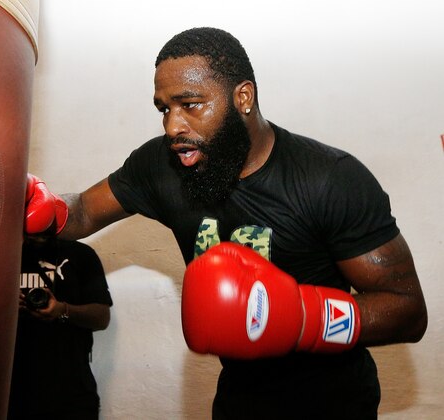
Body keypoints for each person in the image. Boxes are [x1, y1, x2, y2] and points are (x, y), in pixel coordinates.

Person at [24, 27, 428, 419]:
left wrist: (302, 318)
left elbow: (406, 310)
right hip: (239, 400)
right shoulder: (162, 166)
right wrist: (50, 206)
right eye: (164, 108)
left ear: (243, 97)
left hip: (336, 404)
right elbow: (84, 212)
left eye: (190, 104)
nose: (172, 127)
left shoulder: (328, 178)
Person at [8, 231, 113, 420]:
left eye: (43, 232)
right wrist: (3, 307)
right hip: (11, 396)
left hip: (71, 396)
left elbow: (101, 318)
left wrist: (63, 310)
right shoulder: (0, 256)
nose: (38, 238)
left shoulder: (80, 254)